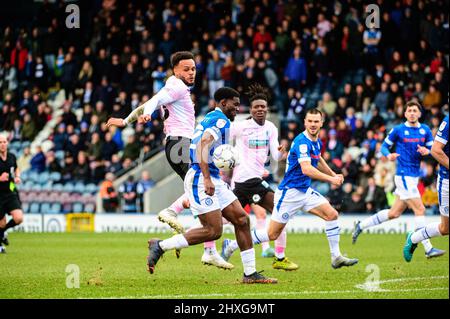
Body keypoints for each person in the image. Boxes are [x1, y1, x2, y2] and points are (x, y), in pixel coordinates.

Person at [106, 51, 231, 269]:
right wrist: (148, 113)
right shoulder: (177, 86)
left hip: (179, 145)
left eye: (193, 69)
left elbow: (150, 102)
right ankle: (172, 211)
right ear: (175, 70)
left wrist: (126, 121)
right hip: (180, 145)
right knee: (204, 183)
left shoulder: (174, 87)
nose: (191, 73)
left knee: (204, 192)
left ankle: (209, 249)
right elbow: (154, 101)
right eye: (186, 69)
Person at [146, 87, 278, 284]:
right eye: (234, 103)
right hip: (201, 178)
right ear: (223, 103)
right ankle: (161, 245)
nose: (237, 108)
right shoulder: (220, 120)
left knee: (242, 220)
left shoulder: (212, 117)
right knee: (213, 231)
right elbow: (201, 146)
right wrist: (207, 178)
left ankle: (250, 274)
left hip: (212, 177)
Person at [222, 108, 359, 269]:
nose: (313, 124)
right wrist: (331, 179)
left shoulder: (316, 141)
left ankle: (336, 257)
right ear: (305, 122)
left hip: (304, 191)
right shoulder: (301, 142)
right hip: (289, 193)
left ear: (322, 123)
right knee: (272, 234)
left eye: (316, 121)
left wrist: (332, 173)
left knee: (332, 215)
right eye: (310, 121)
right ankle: (232, 245)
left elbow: (318, 157)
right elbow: (306, 169)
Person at [352, 101, 445, 258]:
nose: (412, 113)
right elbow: (383, 147)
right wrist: (388, 155)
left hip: (414, 177)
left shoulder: (425, 130)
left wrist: (426, 151)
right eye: (409, 110)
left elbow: (433, 150)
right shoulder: (398, 130)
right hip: (402, 175)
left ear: (420, 114)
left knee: (394, 213)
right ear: (405, 113)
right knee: (420, 209)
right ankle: (428, 248)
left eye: (415, 110)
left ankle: (361, 225)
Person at [221, 83, 298, 271]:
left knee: (221, 220)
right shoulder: (241, 127)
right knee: (280, 211)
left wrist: (281, 153)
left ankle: (230, 245)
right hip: (244, 180)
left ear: (267, 108)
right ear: (251, 110)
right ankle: (279, 258)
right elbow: (220, 134)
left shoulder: (271, 128)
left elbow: (275, 155)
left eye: (263, 106)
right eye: (256, 107)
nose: (260, 109)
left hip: (252, 181)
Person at [403, 115, 449, 261]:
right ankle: (415, 237)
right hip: (447, 180)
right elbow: (436, 150)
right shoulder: (448, 121)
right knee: (445, 228)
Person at [0, 134, 24, 253]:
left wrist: (17, 176)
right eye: (0, 142)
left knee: (19, 218)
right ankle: (0, 243)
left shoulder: (11, 157)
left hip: (10, 192)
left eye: (4, 142)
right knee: (1, 222)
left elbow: (16, 168)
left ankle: (3, 232)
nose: (3, 144)